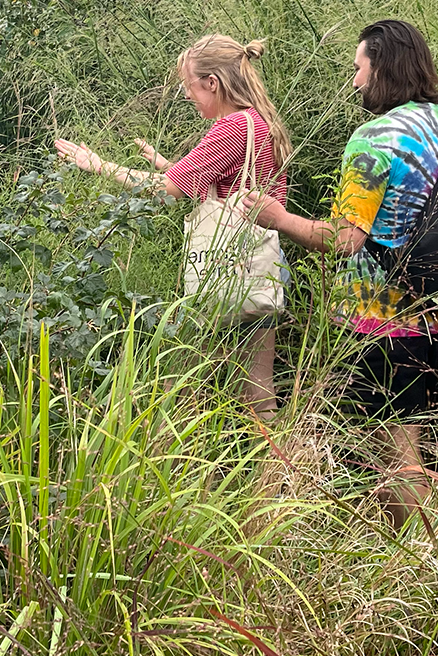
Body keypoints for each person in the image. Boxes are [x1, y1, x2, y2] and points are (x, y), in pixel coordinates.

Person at [244, 20, 438, 528]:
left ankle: (431, 565)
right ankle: (413, 558)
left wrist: (277, 218)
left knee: (396, 457)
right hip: (434, 310)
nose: (355, 81)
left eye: (358, 68)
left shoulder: (375, 135)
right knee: (402, 450)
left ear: (381, 66)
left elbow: (344, 238)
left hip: (377, 320)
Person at [54, 35, 291, 415]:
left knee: (177, 380)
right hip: (263, 266)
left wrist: (96, 164)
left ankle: (179, 464)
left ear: (212, 82)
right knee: (257, 387)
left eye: (189, 86)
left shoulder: (231, 127)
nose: (187, 96)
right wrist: (169, 165)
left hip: (226, 269)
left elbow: (166, 190)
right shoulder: (261, 122)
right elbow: (229, 186)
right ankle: (272, 471)